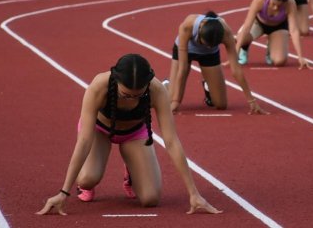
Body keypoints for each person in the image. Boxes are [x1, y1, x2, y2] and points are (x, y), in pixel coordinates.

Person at [36, 54, 221, 216]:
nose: (132, 98)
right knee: (87, 179)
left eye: (138, 95)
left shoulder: (157, 90)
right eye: (126, 94)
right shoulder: (98, 86)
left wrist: (193, 193)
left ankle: (131, 170)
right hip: (100, 131)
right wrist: (63, 192)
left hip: (134, 134)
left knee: (150, 199)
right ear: (116, 81)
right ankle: (86, 183)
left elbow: (171, 141)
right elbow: (84, 141)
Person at [166, 11, 268, 115]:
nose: (208, 47)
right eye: (205, 44)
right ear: (200, 32)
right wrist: (176, 102)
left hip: (209, 55)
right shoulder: (188, 25)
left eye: (213, 45)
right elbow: (182, 69)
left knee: (221, 105)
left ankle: (208, 86)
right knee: (170, 100)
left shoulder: (226, 33)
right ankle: (166, 85)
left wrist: (251, 100)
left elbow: (236, 70)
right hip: (186, 49)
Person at [235, 0, 312, 69]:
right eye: (273, 4)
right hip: (259, 24)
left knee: (280, 61)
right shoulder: (260, 0)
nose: (275, 8)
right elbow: (247, 26)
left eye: (280, 6)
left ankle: (271, 45)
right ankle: (244, 48)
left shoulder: (290, 3)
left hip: (278, 27)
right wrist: (235, 54)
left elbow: (294, 30)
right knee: (240, 38)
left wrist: (300, 57)